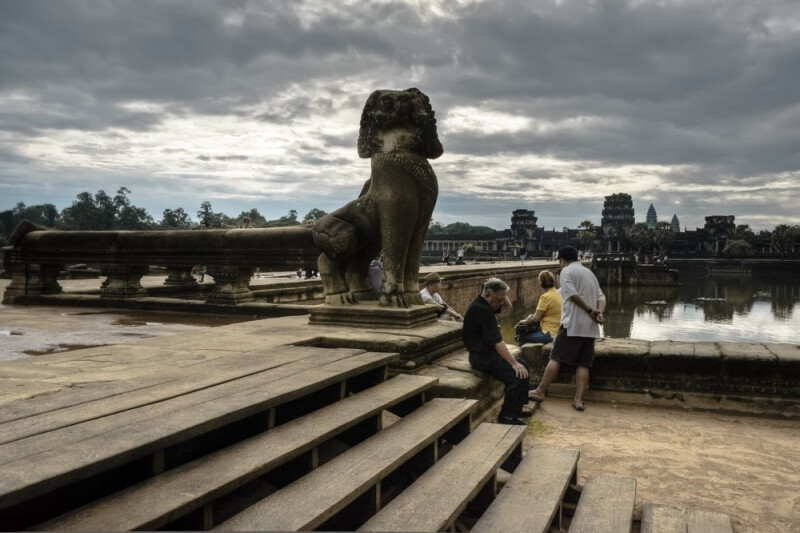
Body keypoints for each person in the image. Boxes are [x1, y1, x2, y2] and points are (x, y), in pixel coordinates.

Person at [529, 246, 605, 412]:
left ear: (561, 260)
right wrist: (598, 313)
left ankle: (541, 391)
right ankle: (578, 400)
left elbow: (571, 295)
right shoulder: (589, 273)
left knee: (556, 357)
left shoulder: (565, 272)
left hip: (572, 325)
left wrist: (590, 311)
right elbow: (601, 297)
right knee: (584, 364)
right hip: (590, 328)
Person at [463, 278, 530, 425]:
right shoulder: (481, 310)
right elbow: (497, 343)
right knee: (516, 375)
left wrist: (501, 293)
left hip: (487, 354)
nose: (501, 302)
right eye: (499, 299)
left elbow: (508, 306)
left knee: (523, 363)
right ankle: (507, 415)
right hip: (481, 357)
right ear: (488, 294)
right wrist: (513, 363)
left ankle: (517, 409)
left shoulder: (485, 303)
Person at [517, 270, 561, 345]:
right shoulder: (557, 293)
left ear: (541, 283)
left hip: (549, 333)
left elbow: (535, 318)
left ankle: (520, 356)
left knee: (521, 337)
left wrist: (527, 319)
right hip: (558, 331)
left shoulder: (545, 297)